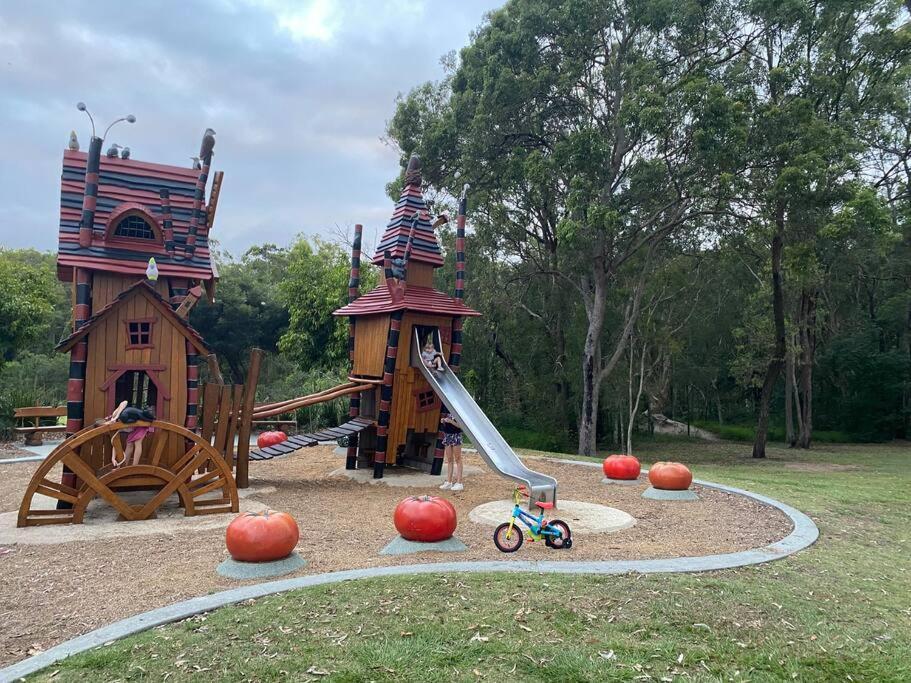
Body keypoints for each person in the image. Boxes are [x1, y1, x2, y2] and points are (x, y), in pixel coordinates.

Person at [99, 401, 156, 468]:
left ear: (105, 422)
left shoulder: (114, 416)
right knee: (129, 444)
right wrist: (113, 458)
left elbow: (124, 402)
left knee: (137, 442)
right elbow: (115, 443)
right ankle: (124, 467)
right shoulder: (114, 429)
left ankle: (134, 467)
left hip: (141, 423)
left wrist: (116, 417)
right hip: (134, 427)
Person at [438, 408, 464, 492]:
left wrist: (450, 421)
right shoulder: (449, 412)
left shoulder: (460, 412)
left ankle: (459, 483)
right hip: (448, 435)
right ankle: (449, 482)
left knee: (458, 459)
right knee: (449, 459)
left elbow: (461, 426)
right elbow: (448, 423)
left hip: (456, 436)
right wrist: (444, 421)